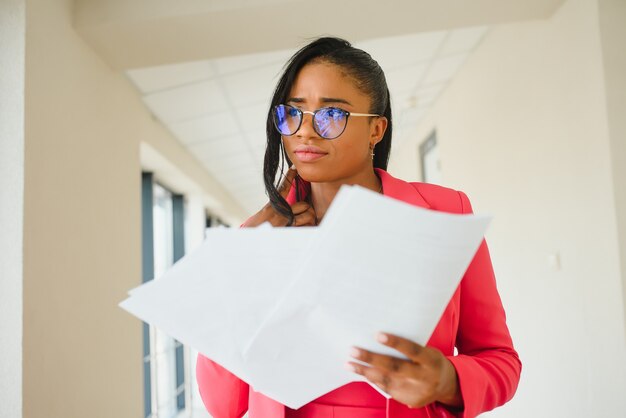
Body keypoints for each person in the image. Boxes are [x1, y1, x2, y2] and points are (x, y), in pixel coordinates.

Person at [196, 37, 521, 418]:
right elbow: (223, 405)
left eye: (331, 115)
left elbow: (500, 360)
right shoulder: (258, 235)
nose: (304, 131)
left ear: (376, 130)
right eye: (293, 113)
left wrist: (447, 381)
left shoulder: (445, 214)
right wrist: (248, 254)